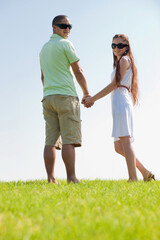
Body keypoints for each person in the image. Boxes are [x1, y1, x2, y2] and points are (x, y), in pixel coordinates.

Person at [83, 34, 155, 182]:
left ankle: (133, 178)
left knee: (126, 141)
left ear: (126, 47)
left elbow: (114, 84)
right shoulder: (119, 62)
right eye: (113, 46)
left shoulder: (124, 60)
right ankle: (145, 172)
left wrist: (93, 99)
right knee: (118, 147)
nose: (116, 48)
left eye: (120, 45)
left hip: (122, 101)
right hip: (118, 102)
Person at [40, 15, 91, 184]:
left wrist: (49, 91)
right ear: (54, 27)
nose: (67, 29)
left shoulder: (44, 49)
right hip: (66, 97)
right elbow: (78, 70)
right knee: (69, 140)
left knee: (50, 141)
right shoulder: (66, 44)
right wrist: (86, 93)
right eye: (63, 26)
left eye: (70, 26)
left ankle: (51, 179)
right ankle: (71, 178)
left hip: (48, 98)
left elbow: (43, 76)